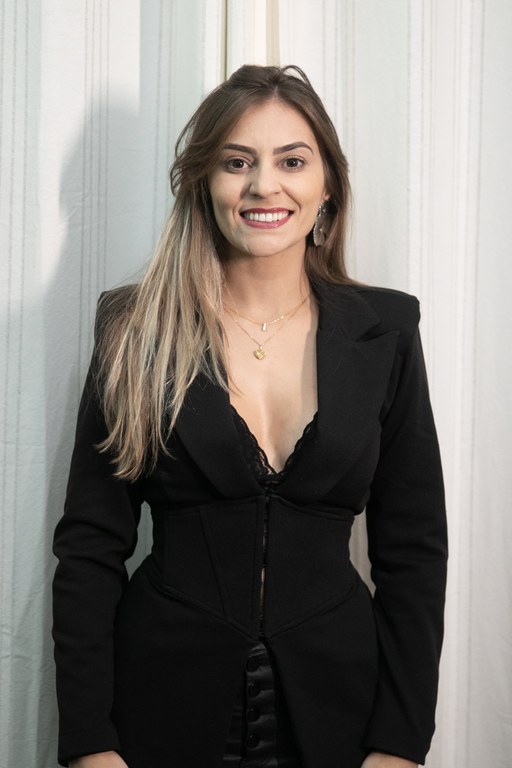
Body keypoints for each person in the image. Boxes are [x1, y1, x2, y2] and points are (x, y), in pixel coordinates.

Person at [52, 65, 448, 768]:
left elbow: (414, 551)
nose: (265, 185)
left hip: (341, 710)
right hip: (157, 707)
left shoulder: (385, 329)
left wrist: (401, 741)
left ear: (327, 186)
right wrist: (90, 742)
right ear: (204, 183)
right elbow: (90, 546)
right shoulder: (135, 329)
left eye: (292, 161)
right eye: (238, 162)